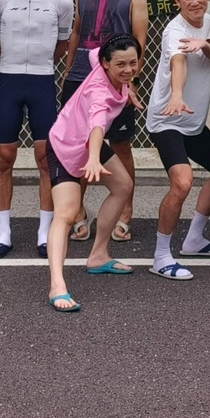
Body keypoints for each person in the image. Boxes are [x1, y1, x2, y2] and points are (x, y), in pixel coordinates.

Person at [44, 33, 145, 311]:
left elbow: (93, 52)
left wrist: (129, 88)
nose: (128, 69)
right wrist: (92, 158)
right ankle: (57, 285)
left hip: (88, 144)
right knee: (66, 214)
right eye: (121, 65)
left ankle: (99, 255)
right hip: (66, 145)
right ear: (106, 64)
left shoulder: (99, 58)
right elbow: (98, 125)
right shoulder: (99, 93)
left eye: (133, 63)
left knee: (123, 186)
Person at [0, 0, 74, 258]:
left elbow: (63, 43)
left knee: (45, 158)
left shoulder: (62, 1)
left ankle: (44, 233)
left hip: (42, 81)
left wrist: (43, 63)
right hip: (9, 79)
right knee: (3, 157)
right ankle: (4, 233)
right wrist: (11, 63)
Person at [65, 0, 148, 244]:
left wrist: (131, 83)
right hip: (81, 77)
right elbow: (77, 31)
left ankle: (125, 211)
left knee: (121, 144)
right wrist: (68, 71)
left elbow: (140, 42)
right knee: (79, 145)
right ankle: (77, 211)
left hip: (116, 81)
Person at [145, 0, 210, 278]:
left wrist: (204, 44)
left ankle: (194, 239)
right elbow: (178, 62)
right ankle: (160, 256)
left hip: (192, 122)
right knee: (182, 182)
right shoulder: (174, 30)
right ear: (177, 1)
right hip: (168, 119)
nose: (194, 2)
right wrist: (176, 95)